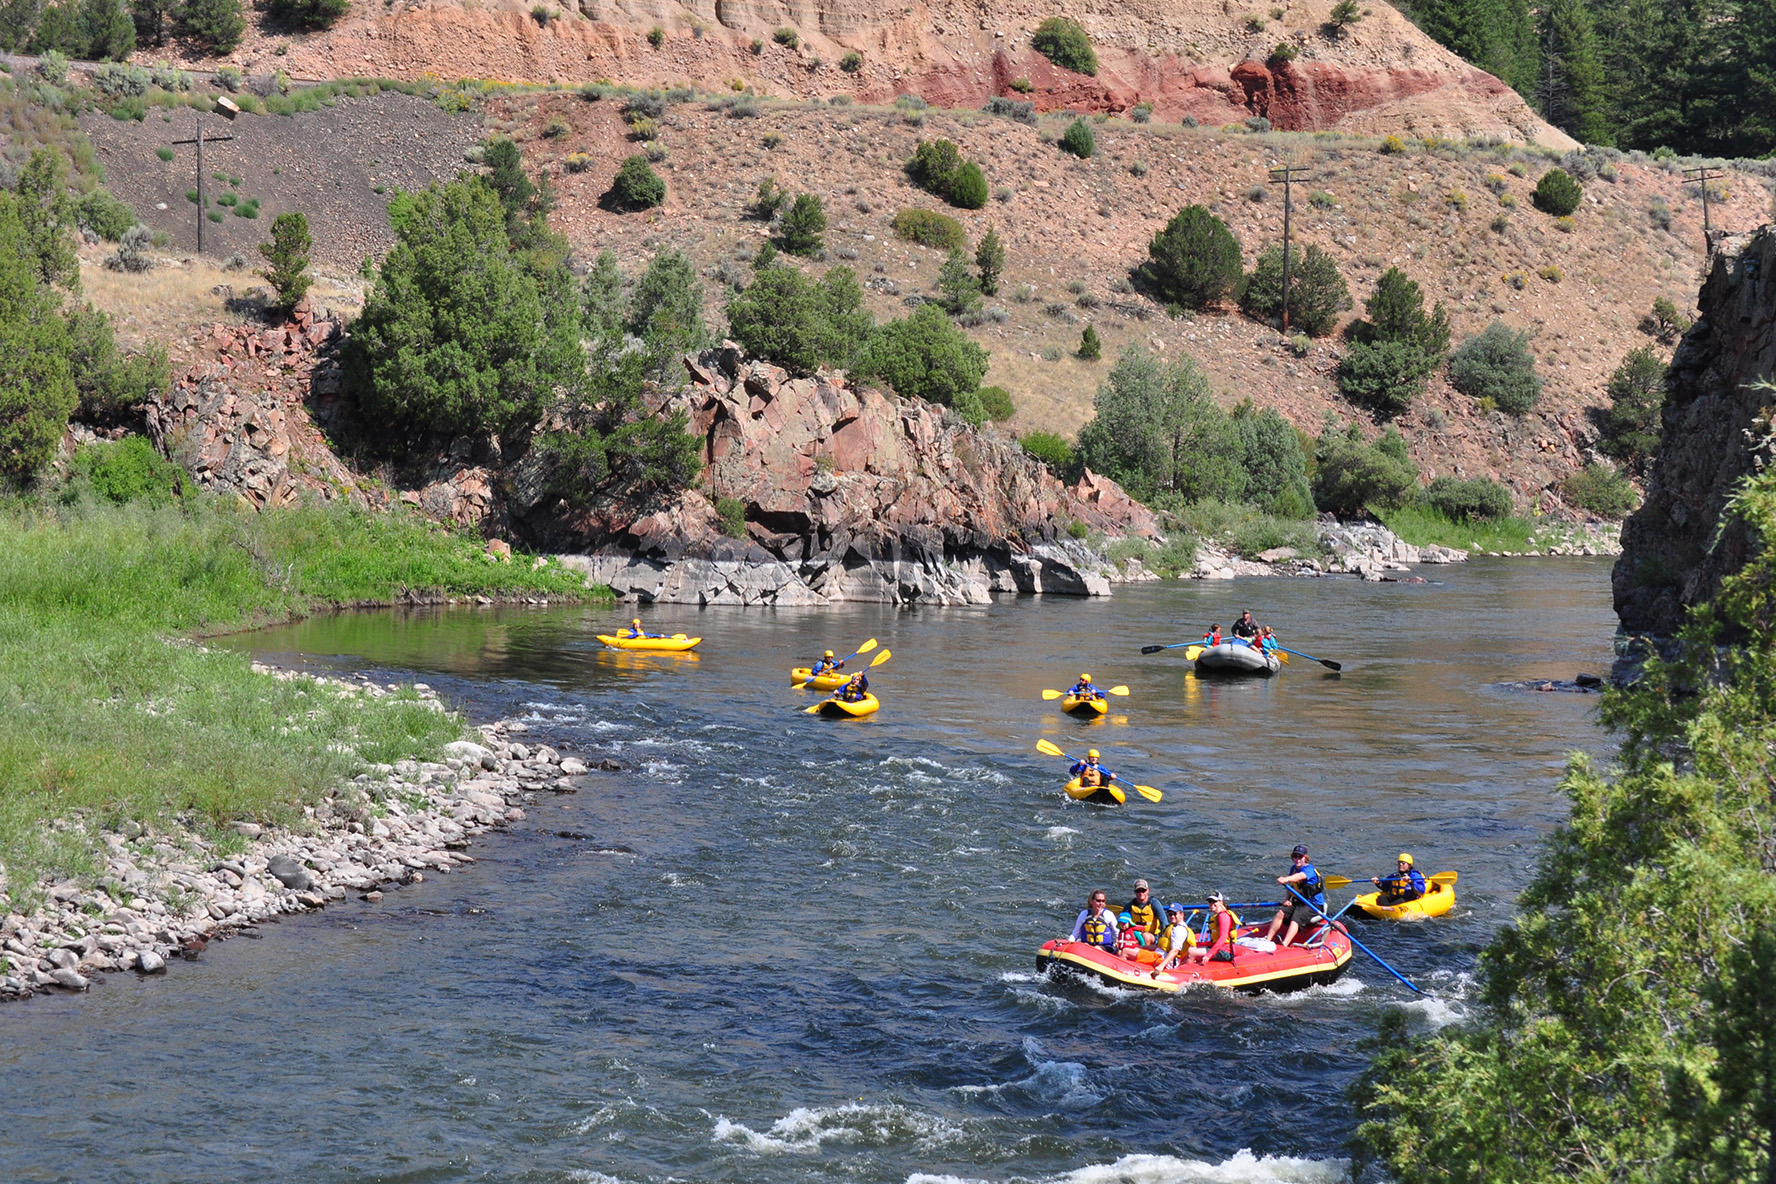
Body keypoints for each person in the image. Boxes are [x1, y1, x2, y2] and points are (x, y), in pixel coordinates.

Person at [1264, 844, 1327, 948]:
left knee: (1296, 918)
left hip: (1313, 905)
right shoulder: (1293, 868)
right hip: (1300, 902)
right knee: (1281, 913)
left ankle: (1284, 944)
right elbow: (1291, 887)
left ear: (1305, 858)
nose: (1297, 859)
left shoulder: (1309, 870)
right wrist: (1287, 899)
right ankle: (1267, 939)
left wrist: (1286, 878)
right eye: (1295, 856)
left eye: (1300, 857)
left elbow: (1299, 877)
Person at [1190, 893, 1239, 963]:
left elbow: (1223, 938)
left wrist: (1209, 954)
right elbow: (1213, 942)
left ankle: (1185, 972)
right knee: (1191, 948)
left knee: (1192, 952)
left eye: (1214, 901)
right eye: (1210, 901)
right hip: (1219, 949)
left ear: (1221, 902)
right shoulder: (1216, 916)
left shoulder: (1223, 916)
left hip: (1225, 952)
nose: (1211, 904)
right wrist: (1197, 944)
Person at [1152, 902, 1198, 975]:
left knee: (1127, 952)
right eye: (1170, 914)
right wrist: (1142, 947)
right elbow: (1160, 946)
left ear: (1181, 914)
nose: (1172, 916)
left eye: (1174, 914)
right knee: (1133, 951)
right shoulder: (1172, 927)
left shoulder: (1179, 930)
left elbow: (1175, 951)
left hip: (1163, 960)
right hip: (1158, 955)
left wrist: (1161, 966)